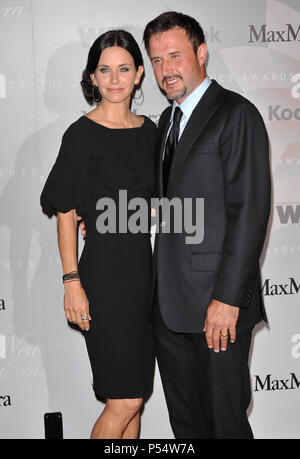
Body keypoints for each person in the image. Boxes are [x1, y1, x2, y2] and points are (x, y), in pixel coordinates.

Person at [142, 11, 271, 439]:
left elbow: (249, 212)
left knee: (224, 423)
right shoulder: (166, 123)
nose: (165, 70)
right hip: (170, 309)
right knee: (188, 428)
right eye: (157, 60)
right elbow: (171, 206)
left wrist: (229, 300)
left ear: (201, 52)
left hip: (218, 309)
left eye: (175, 56)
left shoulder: (236, 114)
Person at [40, 29, 157, 439]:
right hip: (103, 279)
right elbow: (66, 213)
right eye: (104, 70)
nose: (114, 78)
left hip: (145, 278)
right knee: (122, 401)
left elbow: (159, 201)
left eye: (124, 68)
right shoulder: (81, 135)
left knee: (136, 398)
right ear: (92, 77)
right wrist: (72, 282)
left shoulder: (150, 133)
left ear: (140, 74)